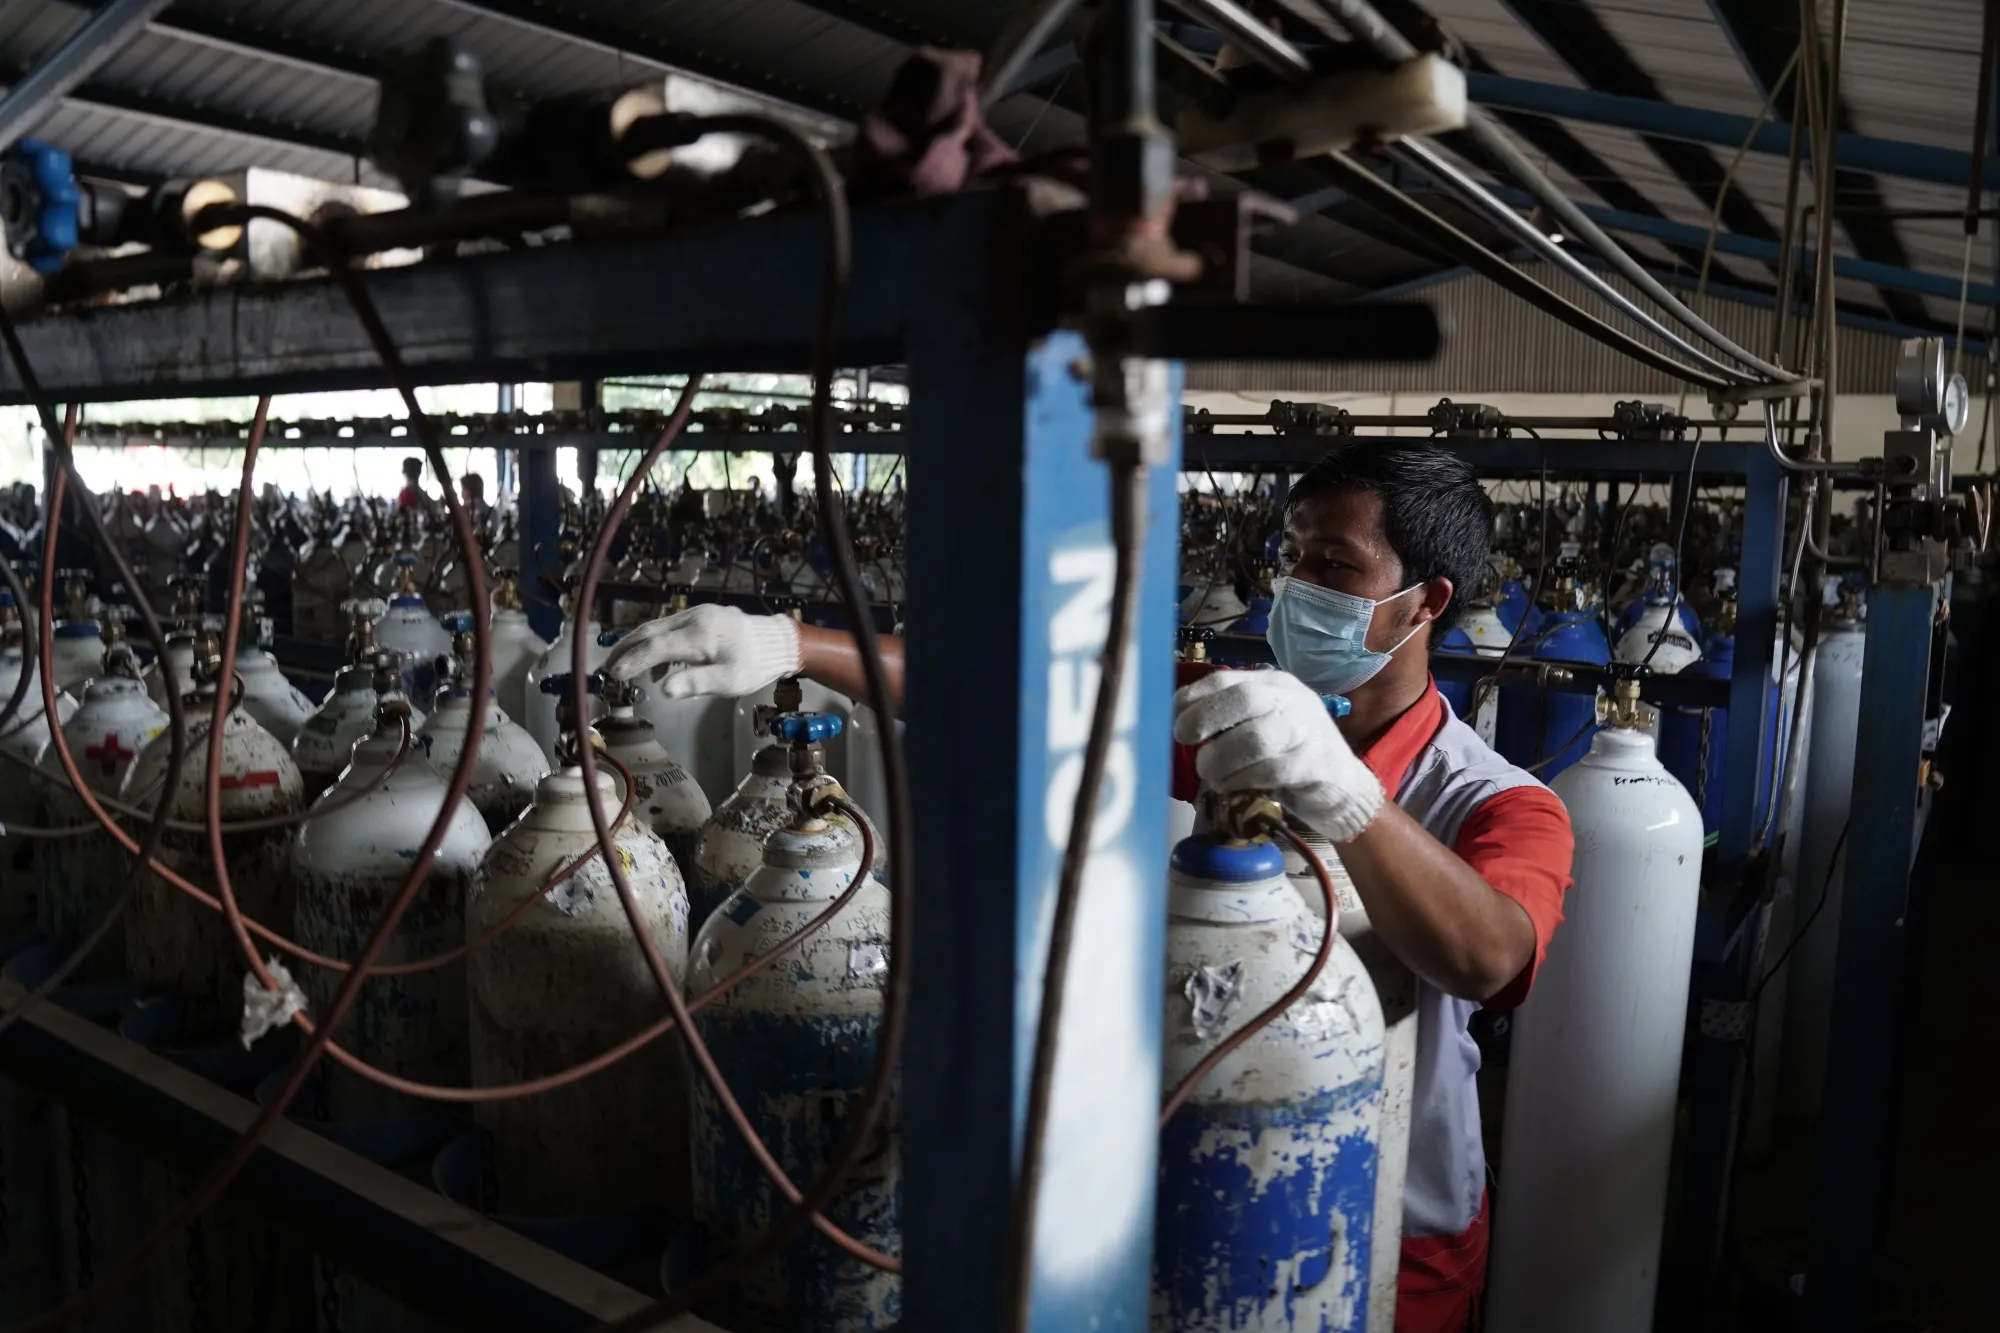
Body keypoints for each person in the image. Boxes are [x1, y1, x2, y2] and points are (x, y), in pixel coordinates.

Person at [603, 440, 1573, 1333]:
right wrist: (794, 646)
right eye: (1289, 555)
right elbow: (1019, 687)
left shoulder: (1495, 801)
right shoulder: (1235, 721)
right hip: (1193, 1170)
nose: (1294, 586)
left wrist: (1349, 796)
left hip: (1387, 1230)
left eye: (1333, 566)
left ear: (1424, 601)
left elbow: (1489, 954)